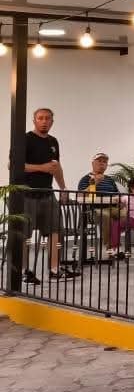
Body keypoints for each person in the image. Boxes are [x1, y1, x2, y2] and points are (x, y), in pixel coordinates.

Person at [22, 107, 72, 282]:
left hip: (48, 194)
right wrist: (42, 168)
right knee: (25, 233)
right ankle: (25, 272)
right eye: (40, 118)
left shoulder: (53, 141)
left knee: (55, 230)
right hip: (27, 194)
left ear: (52, 121)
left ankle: (54, 270)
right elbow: (13, 165)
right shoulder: (25, 139)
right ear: (34, 120)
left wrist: (63, 188)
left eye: (47, 118)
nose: (44, 121)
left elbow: (56, 166)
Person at [77, 152, 120, 258]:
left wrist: (119, 200)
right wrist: (94, 183)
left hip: (113, 209)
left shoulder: (110, 180)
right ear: (93, 163)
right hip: (93, 211)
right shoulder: (86, 179)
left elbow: (117, 195)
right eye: (99, 161)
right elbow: (80, 196)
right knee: (106, 216)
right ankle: (111, 250)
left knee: (132, 216)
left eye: (104, 162)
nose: (102, 163)